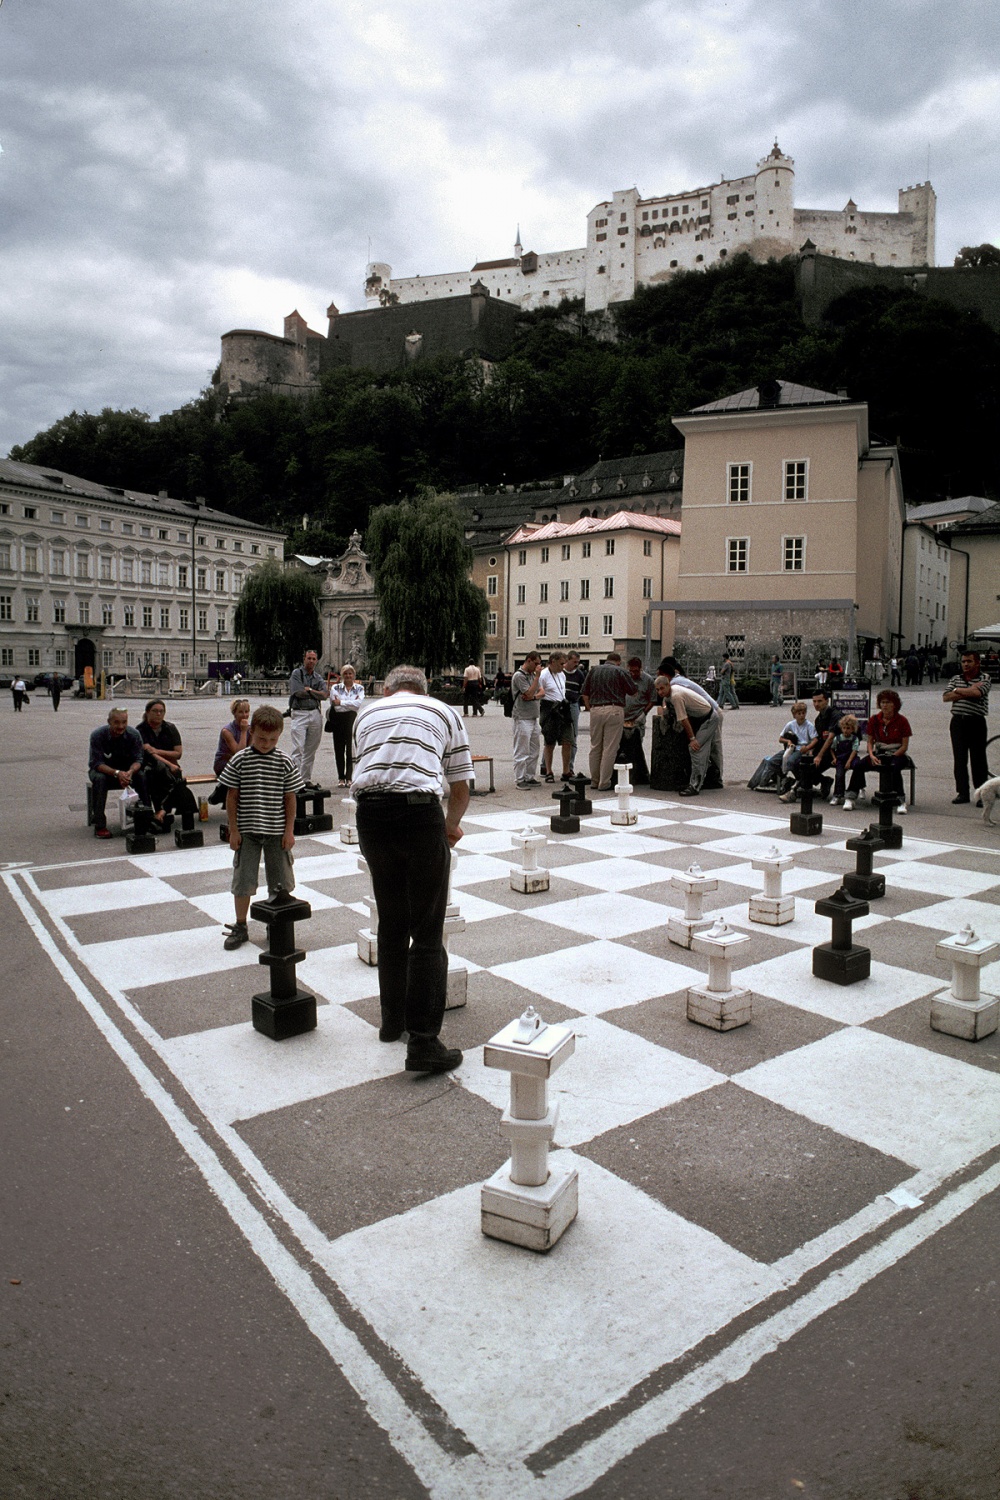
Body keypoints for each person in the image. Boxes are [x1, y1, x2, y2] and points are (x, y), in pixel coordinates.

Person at [352, 665, 473, 1075]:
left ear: (387, 690)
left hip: (369, 815)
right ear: (424, 689)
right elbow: (459, 785)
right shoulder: (443, 710)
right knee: (426, 930)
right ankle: (423, 1042)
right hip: (419, 813)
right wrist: (451, 825)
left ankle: (392, 1023)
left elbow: (369, 766)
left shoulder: (366, 713)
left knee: (391, 921)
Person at [218, 704, 303, 950]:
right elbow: (231, 797)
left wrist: (289, 831)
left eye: (272, 739)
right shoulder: (240, 760)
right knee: (243, 880)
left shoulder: (285, 761)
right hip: (248, 832)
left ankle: (275, 922)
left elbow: (290, 798)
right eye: (261, 738)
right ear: (251, 731)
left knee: (281, 881)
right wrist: (233, 830)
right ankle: (241, 924)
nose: (266, 743)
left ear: (280, 736)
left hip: (277, 832)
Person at [843, 689, 912, 813]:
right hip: (879, 752)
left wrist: (893, 756)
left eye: (888, 702)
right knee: (859, 765)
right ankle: (850, 797)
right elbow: (870, 741)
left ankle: (900, 801)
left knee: (894, 768)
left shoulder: (902, 721)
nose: (884, 705)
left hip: (897, 752)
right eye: (882, 702)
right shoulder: (874, 719)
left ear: (894, 704)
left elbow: (904, 746)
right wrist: (871, 755)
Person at [654, 674, 722, 797]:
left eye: (662, 688)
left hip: (708, 719)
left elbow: (683, 719)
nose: (660, 692)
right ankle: (711, 778)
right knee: (701, 751)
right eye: (657, 689)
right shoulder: (670, 694)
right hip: (702, 719)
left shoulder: (676, 696)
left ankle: (695, 786)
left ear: (668, 685)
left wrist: (692, 739)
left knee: (695, 749)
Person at [88, 707, 148, 839]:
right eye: (116, 722)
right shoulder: (98, 735)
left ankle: (145, 818)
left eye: (124, 722)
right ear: (109, 721)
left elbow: (138, 759)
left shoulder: (134, 734)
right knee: (100, 779)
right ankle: (99, 824)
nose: (121, 726)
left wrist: (130, 772)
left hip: (126, 772)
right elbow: (96, 763)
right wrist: (116, 773)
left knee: (141, 775)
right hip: (104, 771)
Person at [137, 698, 197, 828]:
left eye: (161, 711)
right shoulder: (141, 730)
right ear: (147, 712)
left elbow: (178, 753)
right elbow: (149, 754)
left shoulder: (170, 728)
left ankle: (161, 813)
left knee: (177, 781)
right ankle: (162, 812)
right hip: (150, 767)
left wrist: (158, 751)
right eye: (155, 711)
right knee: (162, 775)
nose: (158, 714)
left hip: (171, 767)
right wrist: (169, 763)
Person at [581, 651, 635, 791]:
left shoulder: (593, 670)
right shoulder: (620, 671)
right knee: (610, 748)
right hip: (614, 709)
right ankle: (604, 782)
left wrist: (590, 708)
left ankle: (594, 780)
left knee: (595, 746)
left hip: (596, 709)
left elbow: (584, 693)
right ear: (618, 662)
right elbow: (633, 690)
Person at [943, 650, 991, 804]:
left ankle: (981, 794)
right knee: (959, 759)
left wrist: (957, 691)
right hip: (958, 722)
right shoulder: (956, 678)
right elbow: (946, 697)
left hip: (976, 722)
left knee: (978, 759)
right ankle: (962, 793)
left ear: (977, 662)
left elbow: (978, 693)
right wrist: (965, 691)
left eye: (969, 661)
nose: (965, 664)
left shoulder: (984, 678)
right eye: (963, 661)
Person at [287, 648, 328, 787]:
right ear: (304, 659)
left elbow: (325, 695)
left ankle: (305, 779)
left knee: (311, 749)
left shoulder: (318, 677)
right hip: (300, 712)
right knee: (298, 748)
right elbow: (298, 692)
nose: (311, 661)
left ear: (316, 661)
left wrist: (310, 690)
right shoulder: (296, 674)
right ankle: (294, 780)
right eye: (308, 658)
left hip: (315, 713)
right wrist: (316, 693)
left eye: (313, 659)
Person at [619, 656, 656, 785]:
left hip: (637, 717)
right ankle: (623, 773)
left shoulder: (648, 680)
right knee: (621, 747)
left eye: (636, 671)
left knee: (636, 747)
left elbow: (652, 699)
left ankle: (636, 775)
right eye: (631, 671)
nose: (633, 674)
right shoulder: (624, 677)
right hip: (622, 717)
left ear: (640, 669)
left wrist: (644, 713)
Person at [326, 663, 365, 785]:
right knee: (339, 749)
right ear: (342, 675)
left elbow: (357, 704)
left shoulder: (360, 688)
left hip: (351, 719)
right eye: (346, 674)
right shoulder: (335, 688)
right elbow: (335, 706)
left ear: (354, 675)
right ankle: (341, 777)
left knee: (350, 749)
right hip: (338, 719)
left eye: (350, 673)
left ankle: (349, 777)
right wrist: (349, 703)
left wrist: (341, 702)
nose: (348, 676)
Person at [538, 652, 573, 783]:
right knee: (550, 742)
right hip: (550, 708)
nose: (563, 666)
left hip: (562, 708)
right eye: (561, 663)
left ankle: (566, 771)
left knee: (567, 740)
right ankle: (548, 771)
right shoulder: (544, 675)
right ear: (553, 661)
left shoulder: (562, 675)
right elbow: (539, 692)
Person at [208, 698, 251, 803]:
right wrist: (244, 732)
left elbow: (250, 751)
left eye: (246, 712)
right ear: (234, 713)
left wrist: (252, 734)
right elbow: (239, 753)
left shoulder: (250, 729)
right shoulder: (227, 731)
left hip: (240, 764)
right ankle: (225, 795)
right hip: (224, 763)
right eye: (241, 712)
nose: (244, 715)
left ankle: (225, 793)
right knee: (241, 773)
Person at [511, 652, 544, 789]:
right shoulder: (519, 676)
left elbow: (542, 692)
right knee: (522, 749)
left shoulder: (532, 676)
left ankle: (530, 776)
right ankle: (520, 779)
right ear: (528, 661)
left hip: (533, 717)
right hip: (522, 717)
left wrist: (534, 697)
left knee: (534, 749)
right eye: (536, 663)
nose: (538, 667)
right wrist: (536, 679)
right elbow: (528, 693)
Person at [563, 651, 586, 775]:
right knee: (552, 736)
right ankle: (545, 766)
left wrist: (578, 699)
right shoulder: (561, 672)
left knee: (573, 736)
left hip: (573, 704)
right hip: (559, 704)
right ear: (568, 660)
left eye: (578, 662)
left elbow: (582, 690)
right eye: (574, 662)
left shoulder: (580, 675)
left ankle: (570, 766)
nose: (576, 664)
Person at [828, 715, 860, 804]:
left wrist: (849, 762)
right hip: (840, 758)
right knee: (839, 775)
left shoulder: (854, 739)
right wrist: (834, 758)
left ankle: (858, 788)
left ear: (853, 729)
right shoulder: (837, 738)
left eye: (848, 728)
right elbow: (832, 749)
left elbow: (854, 750)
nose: (846, 730)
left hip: (851, 758)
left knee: (858, 766)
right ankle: (837, 795)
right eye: (844, 728)